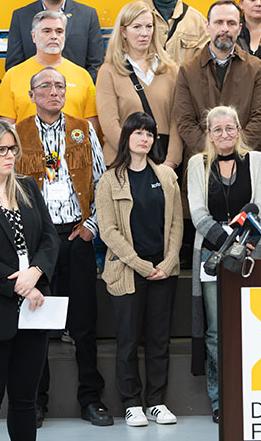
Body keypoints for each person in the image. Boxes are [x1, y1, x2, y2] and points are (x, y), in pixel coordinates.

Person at [15, 68, 112, 428]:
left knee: (84, 322)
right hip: (37, 244)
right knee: (35, 322)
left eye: (59, 86)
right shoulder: (17, 134)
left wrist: (92, 226)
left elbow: (102, 182)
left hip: (75, 236)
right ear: (32, 95)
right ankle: (35, 400)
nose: (54, 91)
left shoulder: (82, 129)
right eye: (46, 86)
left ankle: (91, 398)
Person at [96, 112, 182, 427]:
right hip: (128, 271)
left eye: (149, 134)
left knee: (159, 341)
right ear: (127, 137)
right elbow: (108, 230)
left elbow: (175, 224)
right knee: (128, 341)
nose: (144, 138)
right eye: (138, 133)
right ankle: (132, 403)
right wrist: (141, 265)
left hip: (163, 272)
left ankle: (156, 401)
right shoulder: (109, 180)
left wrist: (168, 262)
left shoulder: (166, 176)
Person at [187, 106, 261, 424]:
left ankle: (255, 395)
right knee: (216, 331)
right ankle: (221, 398)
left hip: (250, 250)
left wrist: (242, 242)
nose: (224, 134)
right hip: (211, 255)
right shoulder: (197, 164)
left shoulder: (256, 160)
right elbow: (197, 212)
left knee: (254, 325)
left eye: (230, 128)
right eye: (217, 129)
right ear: (209, 134)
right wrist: (227, 243)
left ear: (239, 130)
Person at [0, 118, 59, 441]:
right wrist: (16, 284)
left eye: (12, 148)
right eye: (0, 149)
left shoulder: (28, 186)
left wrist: (36, 272)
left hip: (34, 308)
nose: (9, 155)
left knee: (25, 400)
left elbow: (50, 237)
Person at [173, 0, 261, 158]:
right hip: (202, 160)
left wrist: (234, 150)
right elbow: (184, 120)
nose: (225, 29)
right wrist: (212, 151)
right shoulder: (188, 71)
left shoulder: (256, 68)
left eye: (231, 23)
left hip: (245, 159)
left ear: (240, 29)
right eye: (218, 22)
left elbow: (260, 118)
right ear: (207, 26)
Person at [96, 0, 182, 168]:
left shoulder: (171, 70)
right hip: (122, 163)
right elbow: (109, 124)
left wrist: (171, 162)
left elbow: (177, 120)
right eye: (136, 27)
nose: (144, 33)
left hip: (163, 163)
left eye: (149, 27)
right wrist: (136, 160)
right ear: (123, 31)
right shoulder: (108, 71)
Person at [0, 11, 98, 132]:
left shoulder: (83, 75)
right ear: (33, 36)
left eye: (59, 31)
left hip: (73, 144)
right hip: (26, 144)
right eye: (47, 31)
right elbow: (5, 127)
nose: (54, 36)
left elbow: (92, 126)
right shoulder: (12, 75)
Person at [5, 0, 103, 82]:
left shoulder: (87, 15)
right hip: (34, 93)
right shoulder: (21, 17)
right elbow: (14, 67)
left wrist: (80, 89)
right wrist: (35, 90)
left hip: (78, 91)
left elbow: (95, 64)